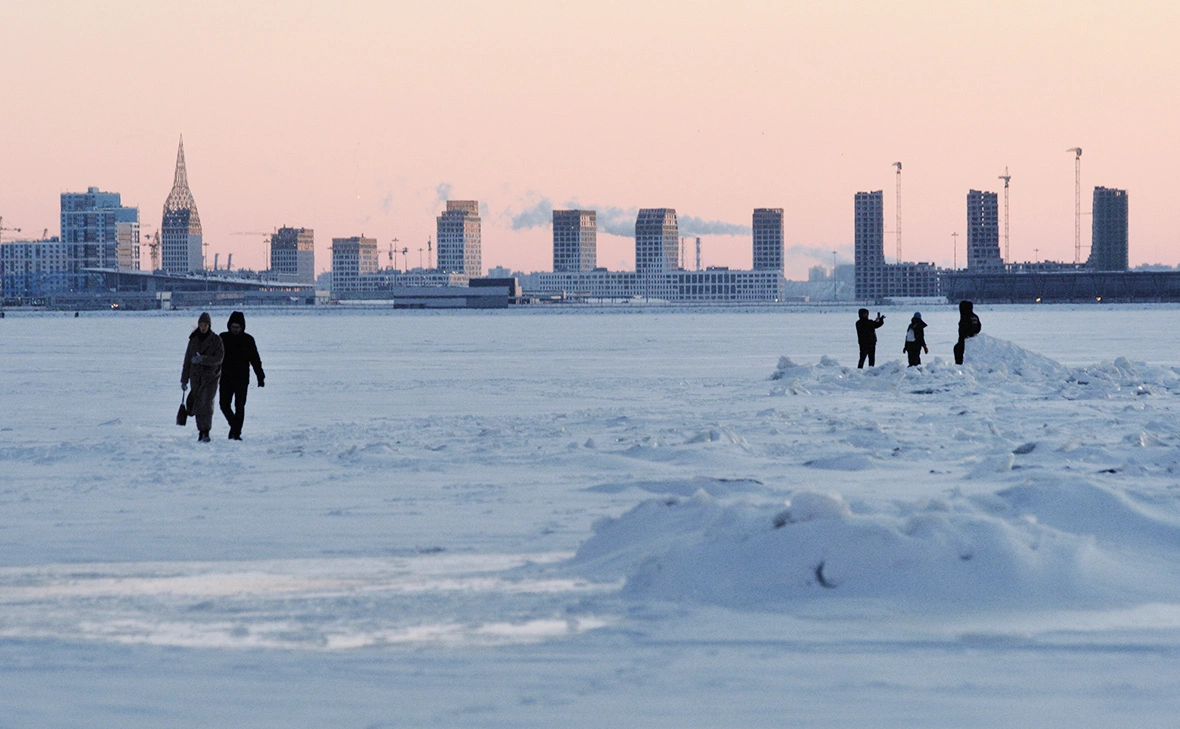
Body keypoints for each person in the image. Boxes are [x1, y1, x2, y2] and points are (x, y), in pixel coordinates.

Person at [219, 310, 265, 440]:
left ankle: (236, 434)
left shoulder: (248, 340)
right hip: (225, 378)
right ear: (229, 326)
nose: (235, 329)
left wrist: (260, 376)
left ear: (242, 327)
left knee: (239, 407)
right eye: (233, 327)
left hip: (242, 379)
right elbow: (214, 356)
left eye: (237, 327)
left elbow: (255, 359)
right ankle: (235, 428)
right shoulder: (222, 338)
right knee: (224, 405)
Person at [181, 312, 225, 442]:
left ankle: (206, 431)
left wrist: (203, 359)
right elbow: (187, 361)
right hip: (196, 377)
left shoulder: (216, 340)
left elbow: (219, 358)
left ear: (209, 325)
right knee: (197, 404)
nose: (203, 327)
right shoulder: (193, 341)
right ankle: (201, 430)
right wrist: (184, 380)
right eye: (201, 325)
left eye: (205, 325)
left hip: (211, 378)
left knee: (207, 404)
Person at [954, 300, 982, 365]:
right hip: (973, 337)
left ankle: (959, 365)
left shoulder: (965, 316)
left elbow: (963, 328)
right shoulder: (975, 316)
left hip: (965, 339)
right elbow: (979, 327)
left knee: (957, 350)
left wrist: (966, 335)